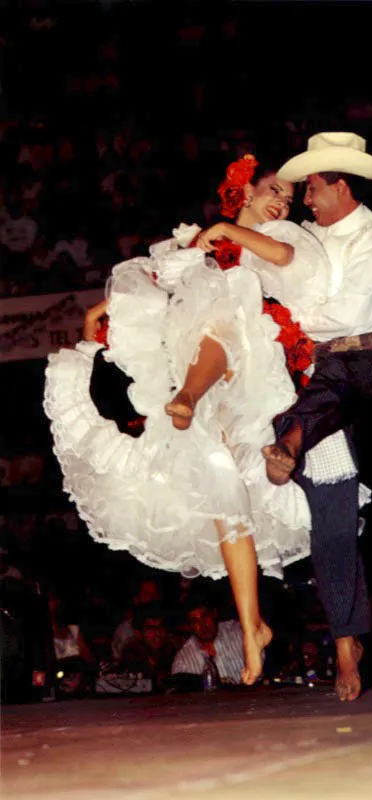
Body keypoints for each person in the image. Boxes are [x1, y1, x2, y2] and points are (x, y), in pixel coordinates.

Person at [44, 155, 339, 686]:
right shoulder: (196, 245)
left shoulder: (272, 239)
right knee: (223, 483)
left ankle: (189, 395)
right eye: (273, 190)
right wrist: (101, 314)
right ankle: (253, 627)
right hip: (188, 369)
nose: (281, 202)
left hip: (246, 370)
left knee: (227, 310)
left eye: (289, 199)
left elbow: (285, 254)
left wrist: (228, 232)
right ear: (243, 189)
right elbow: (146, 283)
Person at [258, 132, 372, 700]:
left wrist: (288, 321)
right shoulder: (305, 238)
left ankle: (292, 440)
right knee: (332, 528)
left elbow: (345, 317)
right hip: (311, 383)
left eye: (314, 189)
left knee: (338, 373)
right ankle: (347, 638)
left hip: (368, 365)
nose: (306, 199)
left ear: (340, 186)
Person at [171, 596, 245, 686]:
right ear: (189, 626)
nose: (202, 625)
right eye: (195, 621)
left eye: (205, 616)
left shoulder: (239, 633)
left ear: (214, 614)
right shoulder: (183, 661)